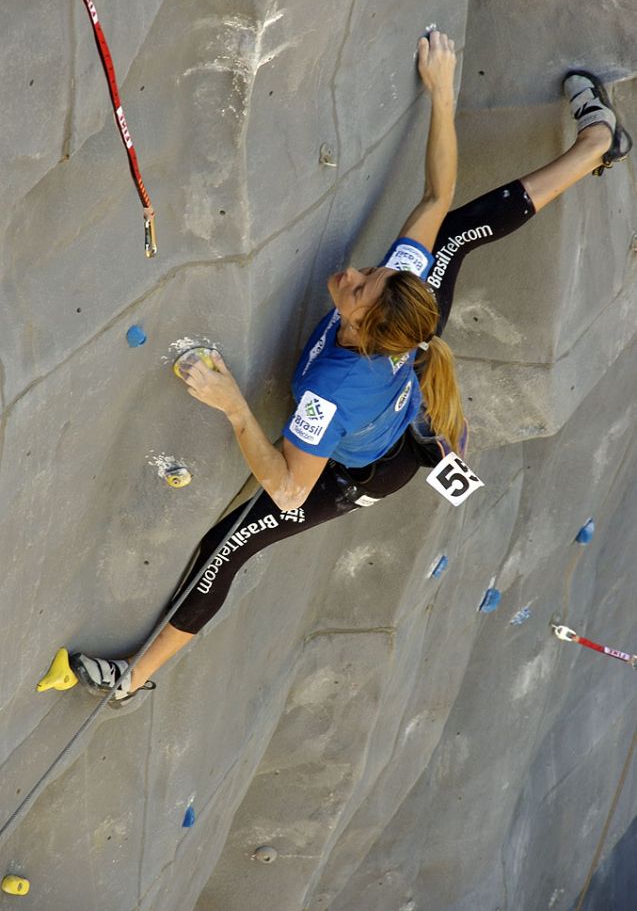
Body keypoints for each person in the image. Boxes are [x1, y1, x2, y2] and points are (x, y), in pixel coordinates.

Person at [70, 40, 632, 701]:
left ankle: (133, 677)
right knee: (450, 231)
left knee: (231, 541)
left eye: (358, 288)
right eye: (372, 273)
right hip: (396, 383)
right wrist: (442, 93)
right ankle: (597, 142)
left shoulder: (330, 389)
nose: (353, 274)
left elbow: (283, 488)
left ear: (362, 330)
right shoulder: (402, 291)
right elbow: (435, 194)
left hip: (361, 468)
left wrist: (231, 404)